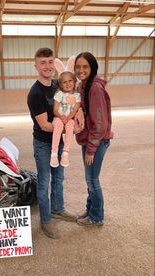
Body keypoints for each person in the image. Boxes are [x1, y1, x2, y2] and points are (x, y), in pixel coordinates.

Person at [27, 47, 84, 239]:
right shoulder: (35, 93)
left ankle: (58, 209)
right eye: (42, 63)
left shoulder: (56, 85)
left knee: (59, 178)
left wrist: (79, 114)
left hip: (59, 143)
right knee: (44, 181)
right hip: (44, 144)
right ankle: (45, 219)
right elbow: (44, 125)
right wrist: (72, 128)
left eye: (50, 62)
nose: (47, 66)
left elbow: (72, 101)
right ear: (35, 66)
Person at [74, 51, 113, 227]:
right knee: (89, 178)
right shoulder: (83, 85)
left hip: (97, 141)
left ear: (92, 68)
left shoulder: (95, 88)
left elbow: (100, 123)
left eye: (85, 67)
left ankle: (96, 217)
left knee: (92, 180)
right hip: (89, 139)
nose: (81, 70)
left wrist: (91, 149)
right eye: (78, 67)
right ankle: (91, 210)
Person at [50, 56, 81, 168]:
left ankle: (65, 153)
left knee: (70, 126)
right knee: (57, 125)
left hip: (69, 118)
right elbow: (55, 109)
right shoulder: (59, 94)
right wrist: (61, 117)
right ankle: (54, 153)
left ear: (74, 81)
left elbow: (75, 108)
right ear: (60, 84)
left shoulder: (77, 95)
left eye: (70, 81)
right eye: (64, 82)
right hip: (59, 117)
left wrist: (68, 118)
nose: (67, 84)